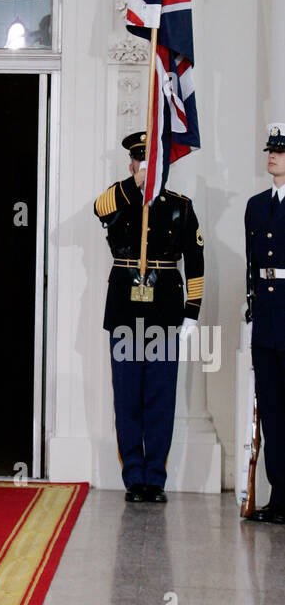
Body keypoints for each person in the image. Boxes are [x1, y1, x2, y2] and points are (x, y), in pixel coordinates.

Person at [94, 130, 204, 504]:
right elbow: (99, 207)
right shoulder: (120, 200)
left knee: (159, 396)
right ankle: (134, 477)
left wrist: (192, 314)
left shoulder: (180, 207)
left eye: (153, 162)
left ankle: (155, 477)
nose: (147, 167)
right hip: (125, 310)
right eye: (141, 161)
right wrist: (134, 184)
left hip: (164, 313)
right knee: (127, 397)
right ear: (133, 164)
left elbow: (196, 264)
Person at [243, 122, 285, 524]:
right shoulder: (257, 205)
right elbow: (252, 266)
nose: (272, 156)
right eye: (270, 150)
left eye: (280, 151)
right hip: (267, 324)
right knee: (271, 412)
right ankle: (278, 498)